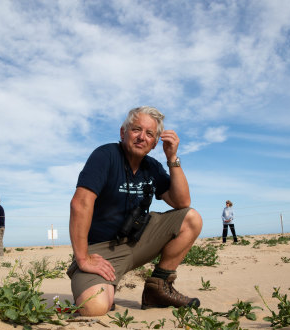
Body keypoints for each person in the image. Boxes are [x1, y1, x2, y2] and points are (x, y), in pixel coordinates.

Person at [68, 106, 203, 316]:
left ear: (155, 142)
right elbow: (80, 204)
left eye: (149, 134)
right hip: (101, 251)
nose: (141, 137)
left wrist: (172, 158)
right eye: (136, 130)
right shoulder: (105, 155)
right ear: (123, 132)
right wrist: (83, 257)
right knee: (93, 307)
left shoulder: (152, 166)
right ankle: (105, 285)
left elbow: (182, 201)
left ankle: (158, 288)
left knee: (191, 219)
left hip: (137, 241)